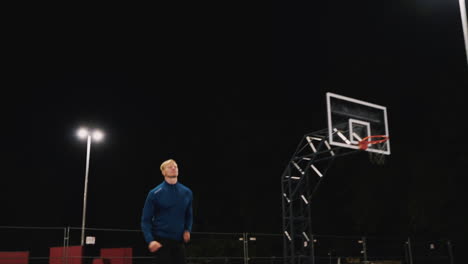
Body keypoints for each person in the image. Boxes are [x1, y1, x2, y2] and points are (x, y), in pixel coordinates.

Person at [141, 159, 193, 264]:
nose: (174, 168)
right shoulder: (154, 193)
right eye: (170, 167)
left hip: (179, 242)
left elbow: (189, 214)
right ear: (163, 172)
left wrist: (188, 229)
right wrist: (150, 240)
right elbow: (145, 220)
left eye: (176, 166)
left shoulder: (187, 192)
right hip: (161, 242)